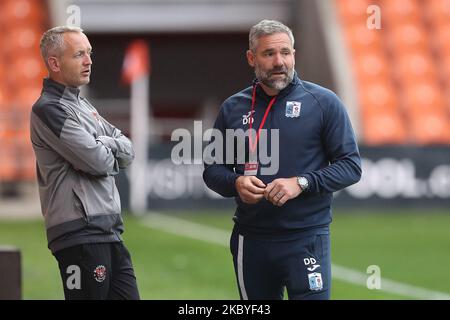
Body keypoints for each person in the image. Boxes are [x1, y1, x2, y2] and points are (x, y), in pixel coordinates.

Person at [203, 20, 361, 300]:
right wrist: (236, 182)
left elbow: (351, 166)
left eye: (285, 53)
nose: (279, 62)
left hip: (307, 238)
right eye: (269, 54)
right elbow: (212, 171)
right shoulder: (232, 108)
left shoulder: (324, 103)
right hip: (250, 240)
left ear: (294, 55)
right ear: (252, 58)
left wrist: (302, 182)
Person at [30, 26, 139, 300]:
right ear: (54, 63)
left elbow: (128, 148)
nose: (89, 61)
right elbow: (99, 161)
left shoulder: (84, 106)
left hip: (109, 231)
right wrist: (106, 143)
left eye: (89, 53)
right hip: (79, 235)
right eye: (79, 54)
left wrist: (103, 141)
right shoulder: (48, 109)